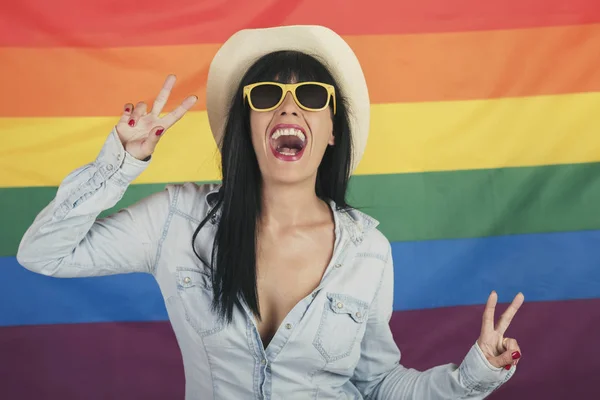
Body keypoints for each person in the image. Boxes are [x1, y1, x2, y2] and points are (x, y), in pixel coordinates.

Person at [17, 25, 524, 399]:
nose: (288, 109)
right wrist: (122, 161)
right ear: (246, 125)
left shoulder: (367, 251)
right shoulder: (175, 220)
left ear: (331, 132)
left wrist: (473, 374)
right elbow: (43, 254)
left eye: (309, 95)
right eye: (267, 95)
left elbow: (378, 384)